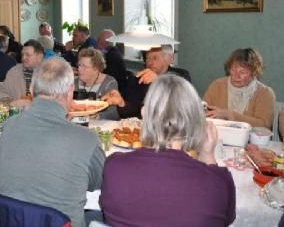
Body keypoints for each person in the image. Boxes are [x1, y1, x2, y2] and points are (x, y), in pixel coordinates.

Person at [100, 75, 236, 227]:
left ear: (144, 113)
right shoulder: (219, 180)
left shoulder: (114, 166)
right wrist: (208, 154)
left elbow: (107, 213)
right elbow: (224, 220)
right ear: (195, 120)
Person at [0, 57, 105, 227]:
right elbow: (97, 183)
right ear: (70, 92)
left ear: (31, 90)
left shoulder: (9, 125)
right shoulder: (86, 138)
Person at [204, 48, 275, 129]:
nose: (236, 76)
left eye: (242, 72)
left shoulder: (265, 93)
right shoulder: (217, 86)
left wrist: (231, 115)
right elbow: (203, 115)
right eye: (233, 70)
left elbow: (264, 125)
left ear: (254, 73)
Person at [97, 30, 143, 118]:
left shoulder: (112, 56)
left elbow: (109, 76)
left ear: (104, 42)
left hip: (118, 88)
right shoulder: (113, 52)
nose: (97, 43)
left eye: (99, 41)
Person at [75, 48, 119, 120]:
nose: (79, 69)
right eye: (79, 65)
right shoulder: (73, 83)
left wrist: (98, 116)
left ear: (96, 68)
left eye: (84, 66)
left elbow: (114, 114)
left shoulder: (109, 83)